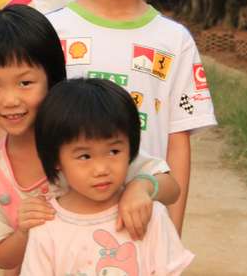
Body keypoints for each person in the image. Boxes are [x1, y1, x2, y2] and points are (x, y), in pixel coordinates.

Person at [47, 0, 217, 234]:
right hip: (63, 230)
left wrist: (172, 235)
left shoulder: (174, 41)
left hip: (143, 232)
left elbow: (177, 143)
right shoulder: (50, 34)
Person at [0, 5, 180, 274]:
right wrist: (24, 231)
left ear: (51, 77)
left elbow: (171, 188)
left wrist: (141, 187)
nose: (11, 100)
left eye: (25, 83)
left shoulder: (89, 141)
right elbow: (3, 260)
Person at [21, 78, 194, 275]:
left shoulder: (150, 215)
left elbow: (173, 190)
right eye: (85, 156)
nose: (101, 169)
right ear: (56, 159)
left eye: (113, 151)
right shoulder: (46, 226)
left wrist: (141, 187)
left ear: (131, 148)